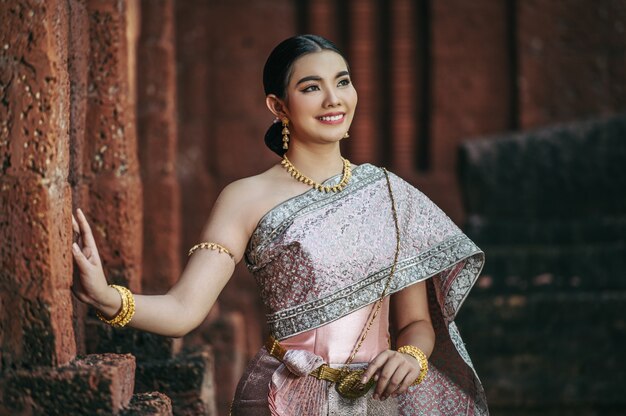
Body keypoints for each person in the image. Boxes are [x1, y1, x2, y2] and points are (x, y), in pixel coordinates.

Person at [72, 34, 488, 415]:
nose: (333, 99)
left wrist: (411, 357)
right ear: (278, 106)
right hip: (282, 399)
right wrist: (106, 298)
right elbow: (184, 310)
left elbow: (416, 323)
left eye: (342, 82)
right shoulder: (244, 198)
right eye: (311, 88)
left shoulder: (390, 194)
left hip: (378, 402)